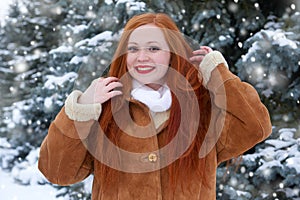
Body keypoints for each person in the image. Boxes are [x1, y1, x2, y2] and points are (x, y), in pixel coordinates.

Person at [38, 12, 272, 200]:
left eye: (153, 48)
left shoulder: (203, 109)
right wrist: (82, 109)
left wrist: (218, 75)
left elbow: (256, 126)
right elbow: (57, 171)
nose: (141, 57)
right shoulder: (106, 109)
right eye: (133, 49)